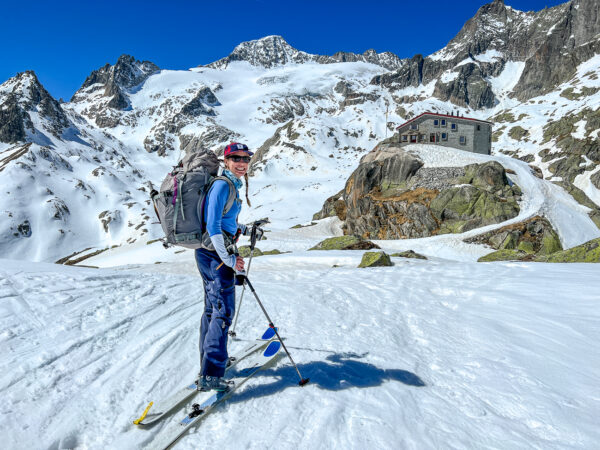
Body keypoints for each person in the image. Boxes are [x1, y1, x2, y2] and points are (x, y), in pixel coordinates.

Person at [195, 142, 254, 392]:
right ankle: (211, 374)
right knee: (223, 311)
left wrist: (243, 229)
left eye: (246, 159)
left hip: (211, 253)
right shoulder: (222, 185)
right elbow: (213, 226)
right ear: (226, 161)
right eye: (236, 158)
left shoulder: (231, 185)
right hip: (216, 255)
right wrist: (229, 260)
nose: (242, 163)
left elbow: (225, 220)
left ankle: (209, 363)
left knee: (212, 309)